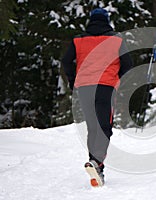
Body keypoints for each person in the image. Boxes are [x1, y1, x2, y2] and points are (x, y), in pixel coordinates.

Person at [62, 8, 132, 187]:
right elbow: (128, 63)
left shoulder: (78, 40)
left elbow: (66, 61)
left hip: (85, 87)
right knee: (104, 126)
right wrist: (117, 78)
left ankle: (95, 166)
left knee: (93, 126)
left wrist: (73, 80)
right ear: (107, 20)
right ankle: (97, 162)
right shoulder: (116, 40)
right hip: (105, 87)